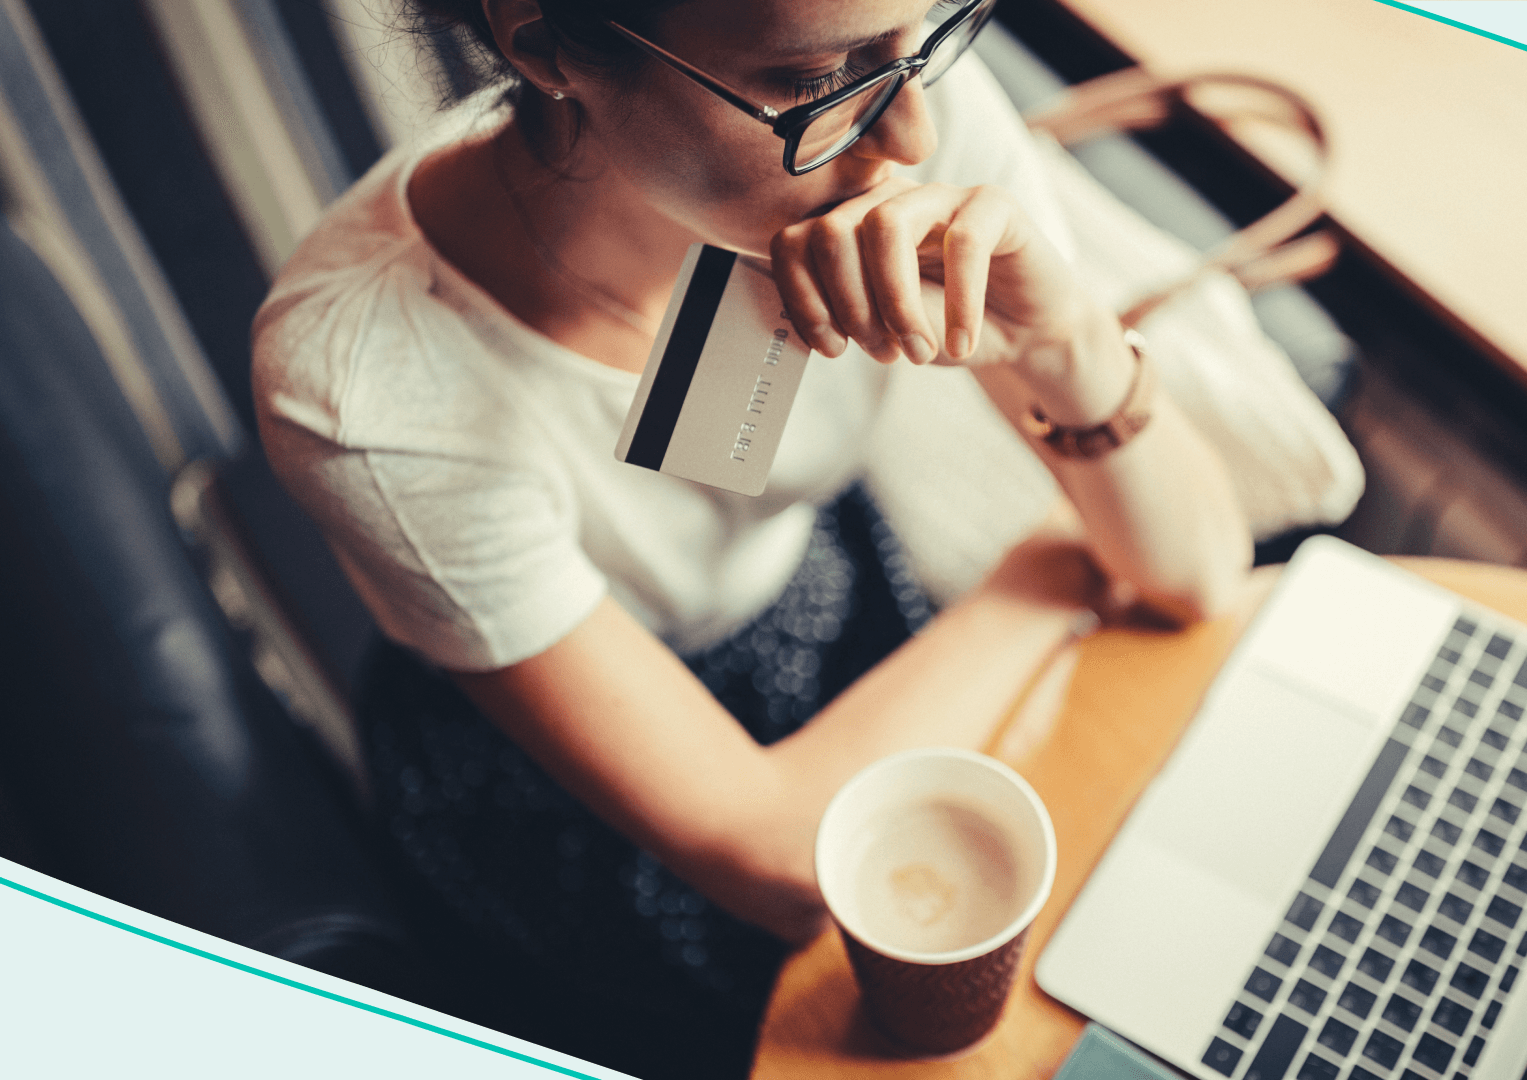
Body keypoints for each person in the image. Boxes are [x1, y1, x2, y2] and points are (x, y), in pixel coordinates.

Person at [252, 0, 1360, 1075]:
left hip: (825, 599)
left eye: (924, 33)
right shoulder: (367, 394)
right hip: (575, 789)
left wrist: (1066, 337)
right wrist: (1045, 569)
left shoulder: (906, 119)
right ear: (544, 44)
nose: (915, 129)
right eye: (815, 80)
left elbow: (1199, 570)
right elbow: (784, 862)